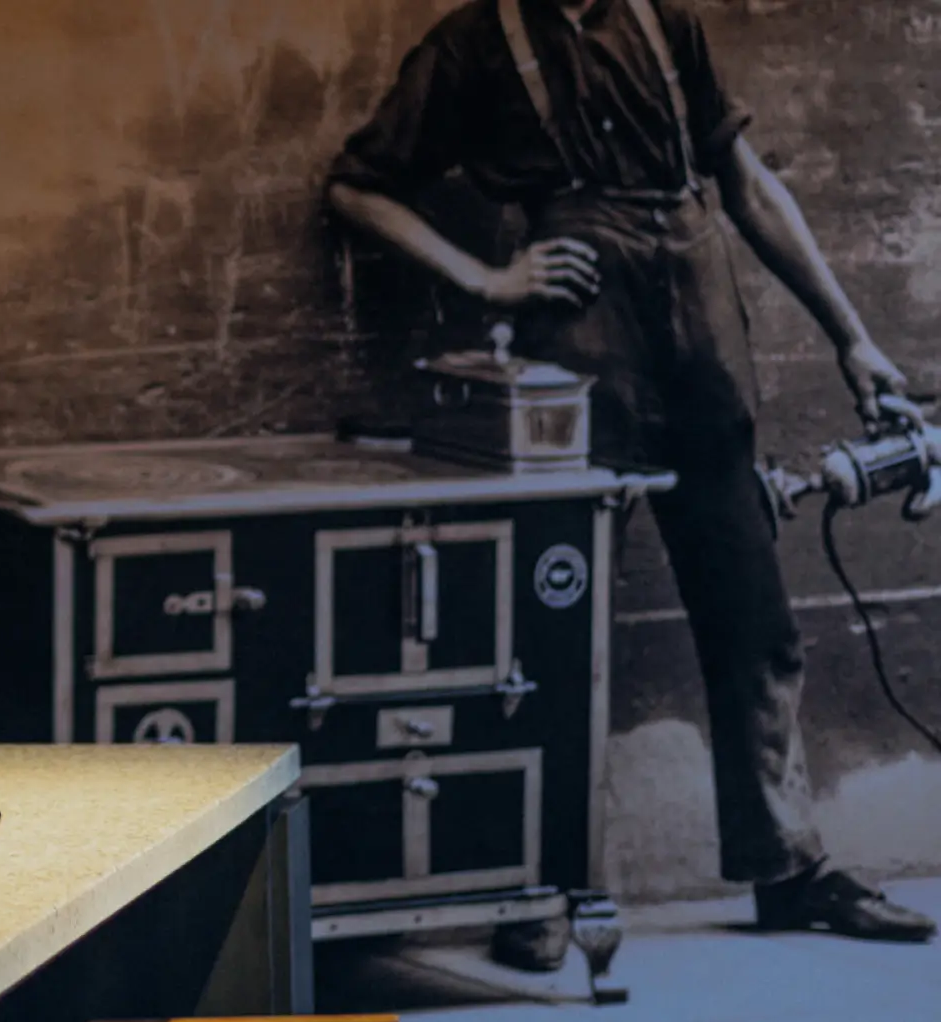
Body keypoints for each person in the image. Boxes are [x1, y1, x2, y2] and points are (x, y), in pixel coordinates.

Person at [328, 0, 934, 941]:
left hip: (702, 339)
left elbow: (746, 185)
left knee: (755, 619)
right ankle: (545, 887)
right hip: (579, 354)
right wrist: (486, 280)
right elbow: (356, 187)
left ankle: (789, 870)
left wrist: (852, 338)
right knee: (557, 633)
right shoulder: (473, 42)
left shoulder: (664, 20)